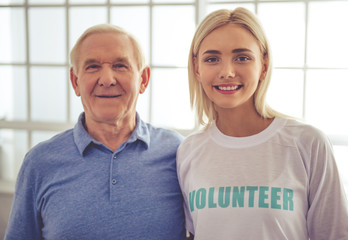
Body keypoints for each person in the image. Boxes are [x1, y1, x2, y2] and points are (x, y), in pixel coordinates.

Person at [177, 7, 348, 239]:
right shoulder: (188, 150)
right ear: (197, 68)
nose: (227, 72)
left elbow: (334, 233)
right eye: (212, 59)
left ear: (263, 66)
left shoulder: (307, 143)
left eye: (242, 58)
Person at [5, 24, 186, 239]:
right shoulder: (39, 163)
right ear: (75, 81)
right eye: (92, 67)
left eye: (120, 65)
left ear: (143, 79)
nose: (107, 79)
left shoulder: (178, 152)